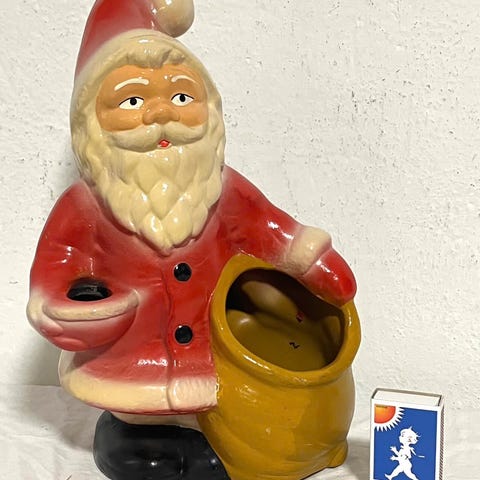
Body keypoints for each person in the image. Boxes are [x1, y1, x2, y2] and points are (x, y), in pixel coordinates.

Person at [27, 1, 357, 478]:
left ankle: (201, 437)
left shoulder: (224, 190)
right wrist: (63, 307)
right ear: (91, 120)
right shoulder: (84, 206)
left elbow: (269, 229)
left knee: (220, 418)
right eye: (133, 101)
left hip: (212, 355)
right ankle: (134, 438)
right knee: (137, 426)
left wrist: (310, 258)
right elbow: (58, 264)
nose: (162, 113)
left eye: (182, 96)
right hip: (132, 352)